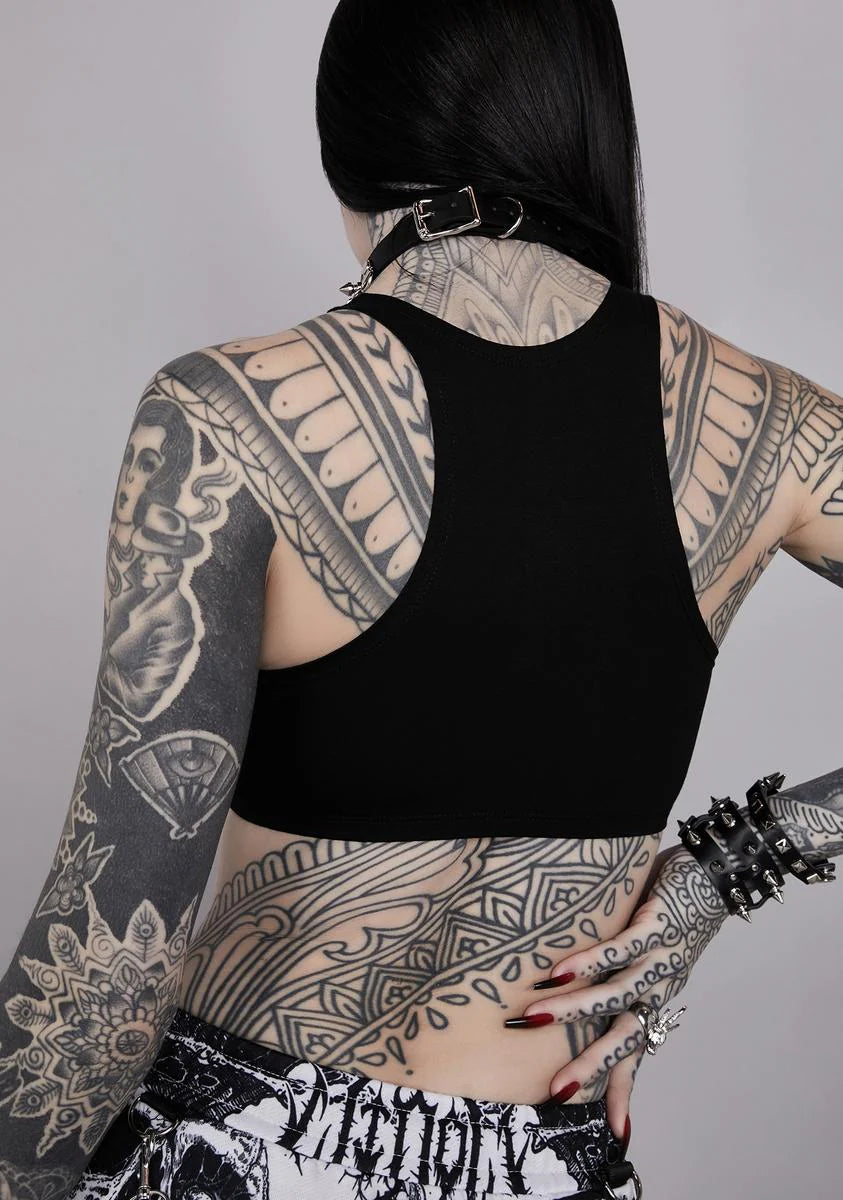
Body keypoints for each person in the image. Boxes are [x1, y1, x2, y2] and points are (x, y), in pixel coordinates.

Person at [0, 1, 840, 1197]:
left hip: (235, 1144)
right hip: (547, 1163)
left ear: (350, 142)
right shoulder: (772, 427)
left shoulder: (227, 418)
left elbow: (112, 954)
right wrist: (735, 861)